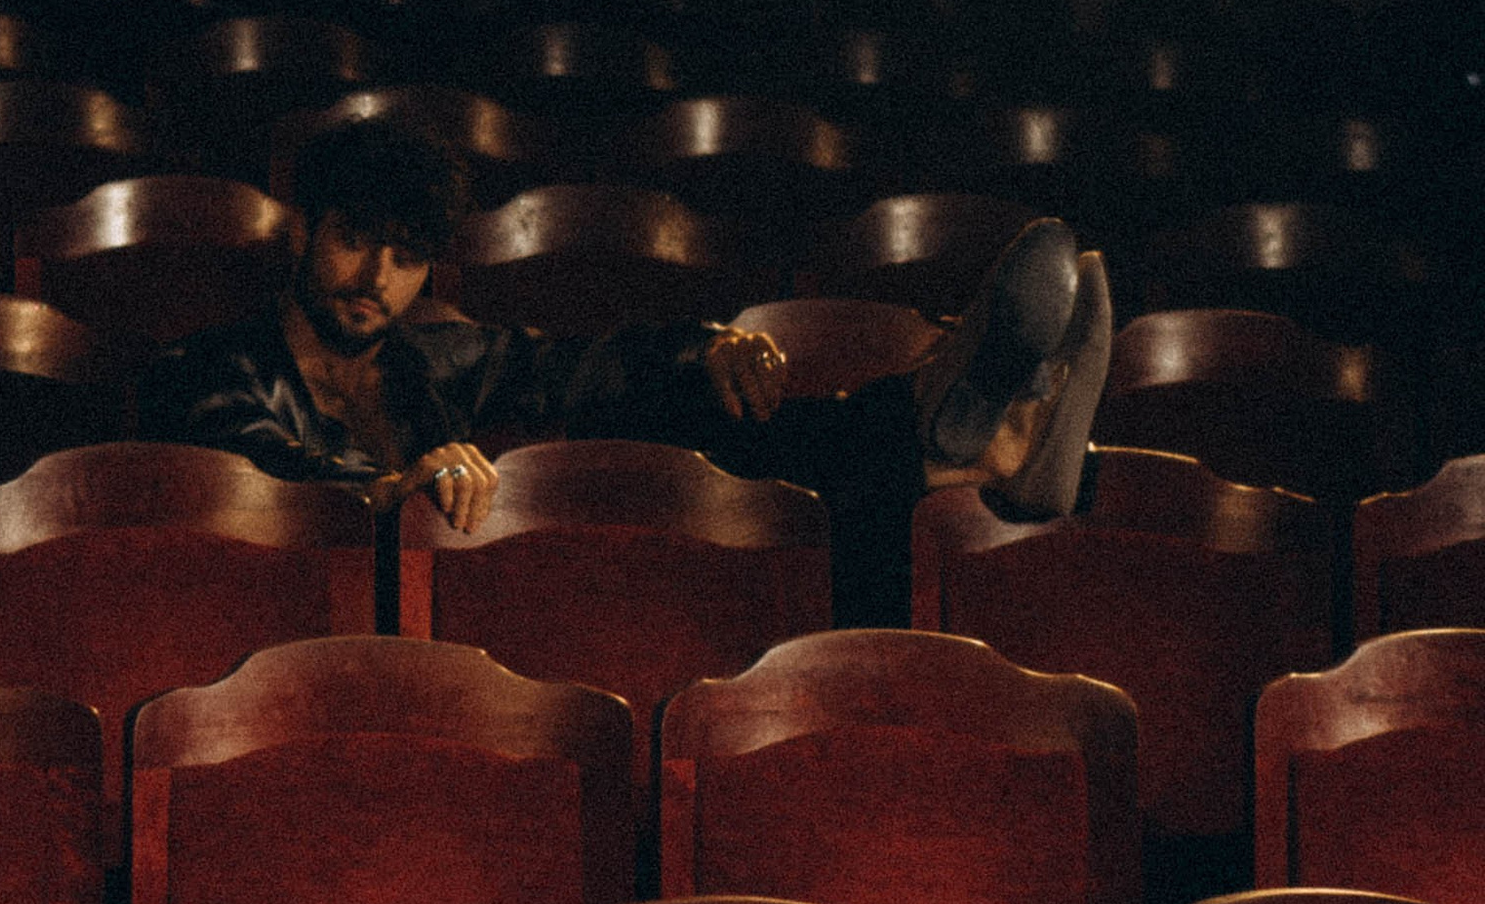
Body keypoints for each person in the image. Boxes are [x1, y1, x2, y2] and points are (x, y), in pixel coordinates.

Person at [140, 116, 1112, 609]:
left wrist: (708, 351)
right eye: (355, 242)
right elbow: (259, 468)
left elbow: (572, 366)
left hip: (481, 618)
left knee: (693, 419)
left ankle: (944, 429)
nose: (376, 277)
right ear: (303, 233)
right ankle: (968, 449)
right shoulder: (212, 365)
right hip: (341, 636)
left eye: (405, 257)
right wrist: (391, 483)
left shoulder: (423, 356)